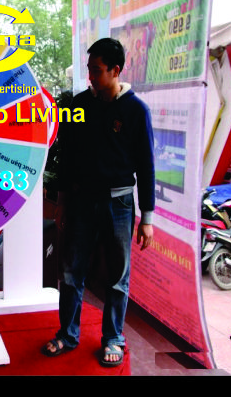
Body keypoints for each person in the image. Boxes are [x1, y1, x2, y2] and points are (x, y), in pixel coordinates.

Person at [42, 38, 155, 367]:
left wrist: (147, 218)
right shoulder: (79, 105)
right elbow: (67, 158)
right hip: (81, 202)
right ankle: (67, 334)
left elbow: (147, 166)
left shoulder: (136, 111)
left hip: (119, 205)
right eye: (89, 69)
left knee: (117, 276)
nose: (90, 76)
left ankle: (113, 338)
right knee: (70, 272)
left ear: (115, 70)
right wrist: (62, 201)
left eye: (97, 70)